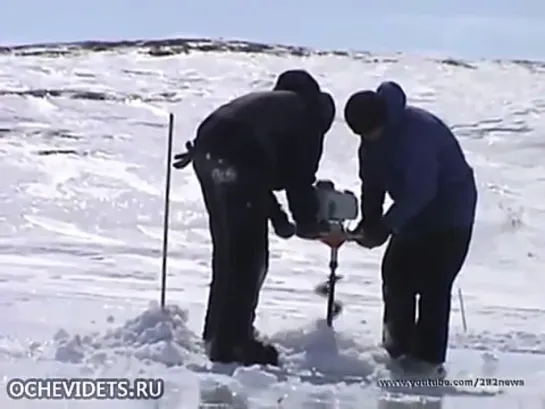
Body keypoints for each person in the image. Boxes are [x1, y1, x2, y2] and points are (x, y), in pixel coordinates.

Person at [173, 70, 335, 366]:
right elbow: (295, 177)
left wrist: (277, 217)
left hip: (208, 149)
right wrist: (309, 223)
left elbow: (255, 173)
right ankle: (234, 343)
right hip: (235, 153)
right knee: (249, 257)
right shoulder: (307, 114)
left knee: (229, 249)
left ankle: (218, 334)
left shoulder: (271, 107)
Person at [343, 81, 477, 374]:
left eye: (369, 132)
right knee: (395, 275)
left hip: (450, 214)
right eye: (361, 135)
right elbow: (372, 183)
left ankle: (427, 363)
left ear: (383, 121)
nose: (366, 139)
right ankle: (397, 350)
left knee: (434, 285)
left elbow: (422, 190)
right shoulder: (371, 140)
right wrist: (371, 221)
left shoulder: (418, 134)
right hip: (411, 215)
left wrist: (388, 226)